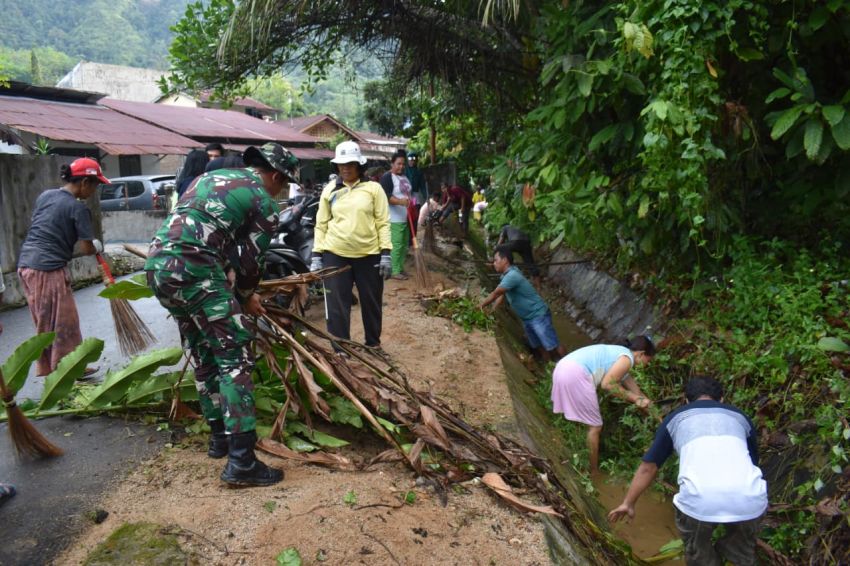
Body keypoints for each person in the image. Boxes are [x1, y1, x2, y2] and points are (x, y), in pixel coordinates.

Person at [145, 142, 299, 487]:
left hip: (159, 269)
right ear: (275, 175)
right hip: (197, 271)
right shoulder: (264, 201)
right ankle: (242, 462)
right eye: (285, 183)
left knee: (204, 353)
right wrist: (246, 297)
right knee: (235, 359)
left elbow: (218, 236)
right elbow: (250, 262)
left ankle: (219, 440)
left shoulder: (206, 179)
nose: (282, 189)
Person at [609, 376, 767, 566]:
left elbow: (648, 468)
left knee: (698, 551)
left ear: (685, 400)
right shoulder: (741, 417)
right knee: (742, 552)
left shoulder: (676, 418)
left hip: (699, 502)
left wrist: (628, 503)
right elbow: (753, 462)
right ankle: (733, 552)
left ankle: (706, 557)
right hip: (750, 500)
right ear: (722, 399)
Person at [17, 158, 106, 377]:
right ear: (85, 182)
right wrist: (96, 246)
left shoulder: (46, 196)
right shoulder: (78, 208)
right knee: (64, 321)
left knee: (46, 320)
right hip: (47, 269)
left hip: (27, 266)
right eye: (95, 185)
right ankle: (66, 368)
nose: (94, 191)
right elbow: (86, 249)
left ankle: (60, 367)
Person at [310, 141, 392, 349]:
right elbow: (321, 224)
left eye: (350, 164)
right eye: (341, 164)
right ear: (336, 166)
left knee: (371, 302)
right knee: (337, 304)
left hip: (369, 254)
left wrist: (386, 254)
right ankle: (341, 349)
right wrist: (317, 255)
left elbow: (383, 222)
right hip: (335, 253)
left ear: (359, 165)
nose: (345, 168)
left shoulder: (373, 188)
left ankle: (373, 344)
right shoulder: (330, 190)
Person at [551, 336, 655, 473]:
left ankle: (570, 448)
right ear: (641, 354)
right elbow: (608, 385)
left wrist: (655, 413)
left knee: (587, 421)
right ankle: (593, 471)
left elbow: (636, 390)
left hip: (563, 368)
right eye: (649, 360)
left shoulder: (621, 355)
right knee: (595, 426)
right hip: (575, 373)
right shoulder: (627, 359)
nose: (648, 364)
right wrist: (636, 399)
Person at [480, 245, 566, 361]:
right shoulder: (507, 275)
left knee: (553, 345)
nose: (494, 263)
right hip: (528, 318)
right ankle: (549, 367)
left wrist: (480, 306)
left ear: (505, 260)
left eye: (496, 260)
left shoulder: (512, 276)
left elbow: (496, 293)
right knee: (538, 346)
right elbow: (501, 295)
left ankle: (569, 364)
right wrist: (493, 309)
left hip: (538, 315)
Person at [380, 150, 414, 280]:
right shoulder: (387, 177)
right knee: (397, 244)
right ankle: (394, 271)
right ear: (392, 164)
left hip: (405, 217)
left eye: (403, 164)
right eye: (398, 163)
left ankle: (399, 267)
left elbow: (407, 194)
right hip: (394, 218)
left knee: (404, 244)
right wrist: (400, 201)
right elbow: (386, 196)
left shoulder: (403, 177)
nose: (401, 166)